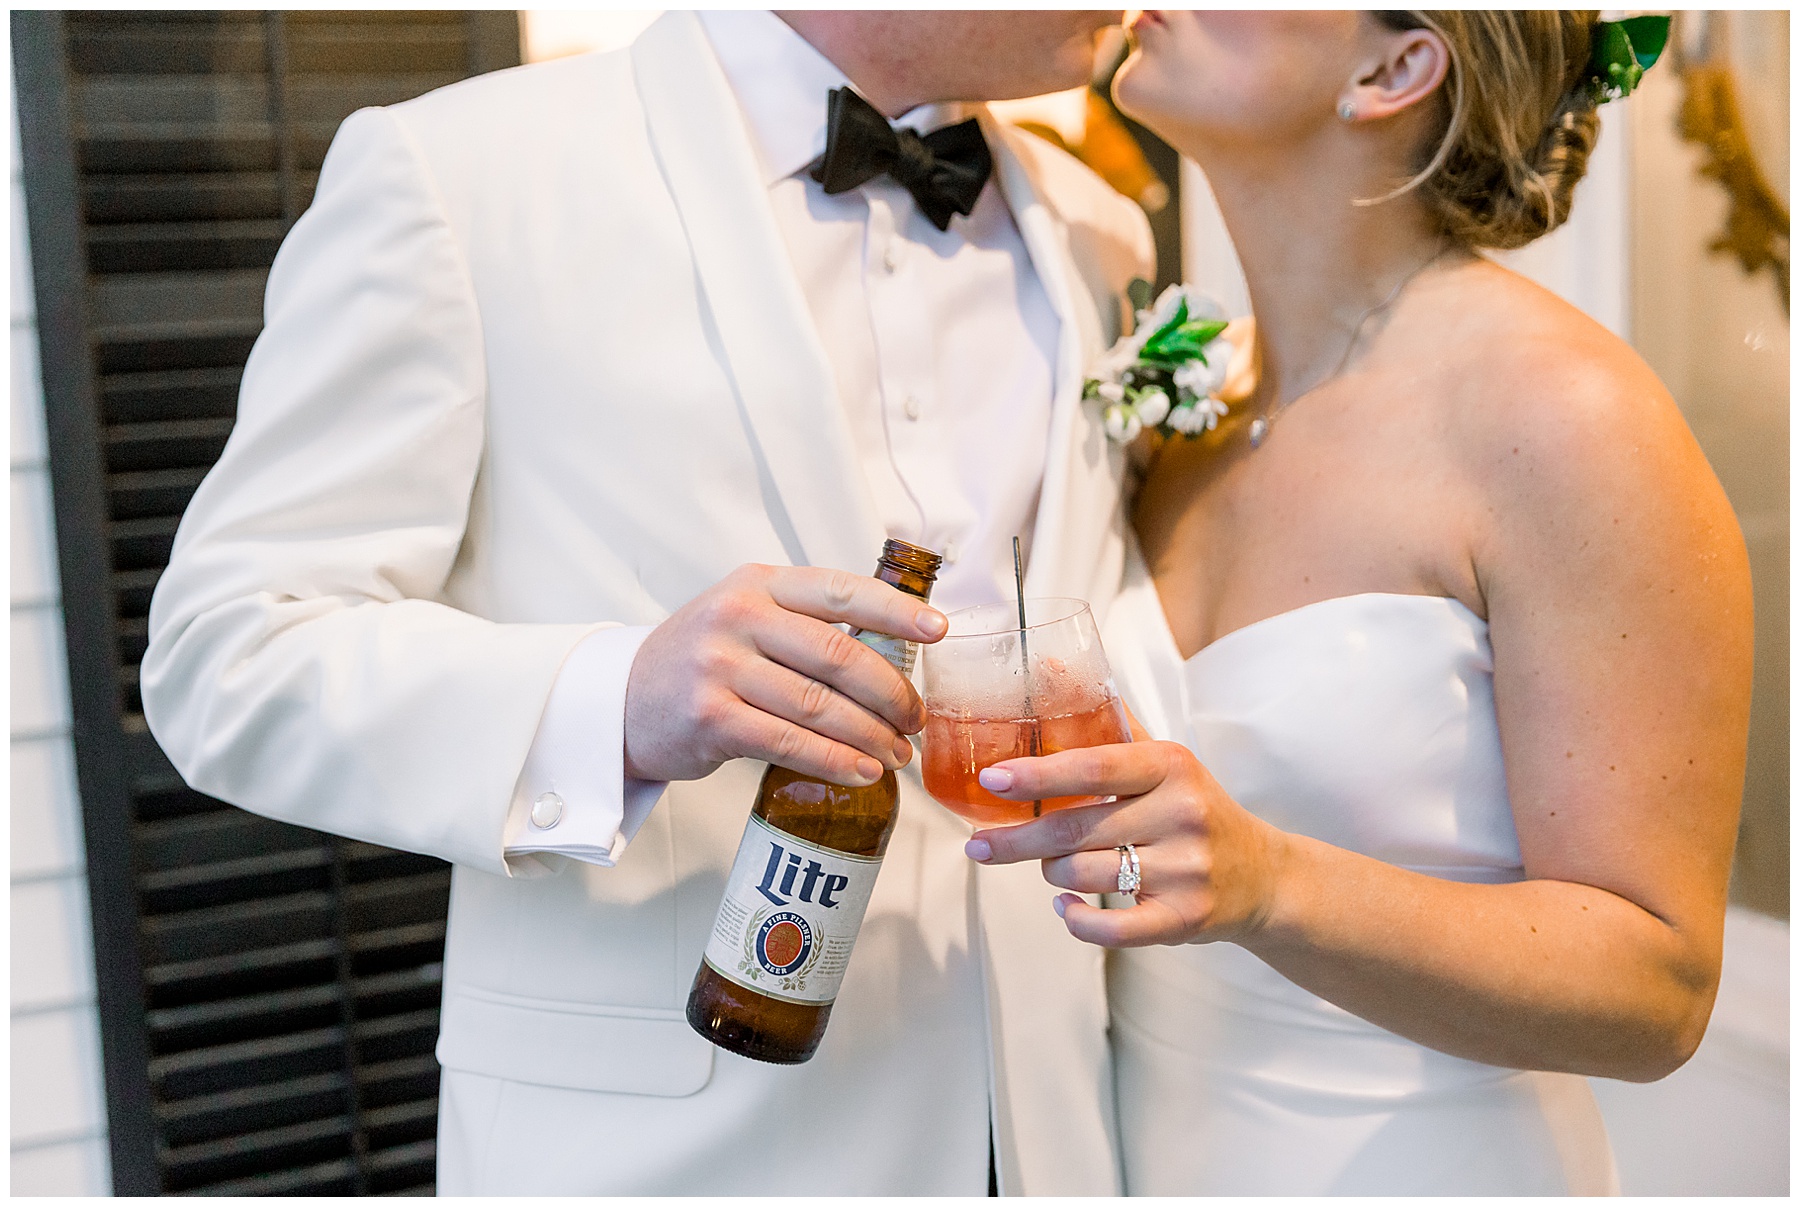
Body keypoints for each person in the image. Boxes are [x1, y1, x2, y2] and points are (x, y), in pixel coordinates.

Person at [141, 10, 1152, 1195]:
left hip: (1044, 1136)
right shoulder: (460, 177)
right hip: (656, 1156)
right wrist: (617, 699)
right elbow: (227, 650)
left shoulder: (1098, 231)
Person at [963, 10, 1753, 1195]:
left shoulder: (1569, 420)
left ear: (1395, 67)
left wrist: (1272, 884)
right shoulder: (1196, 405)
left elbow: (1660, 992)